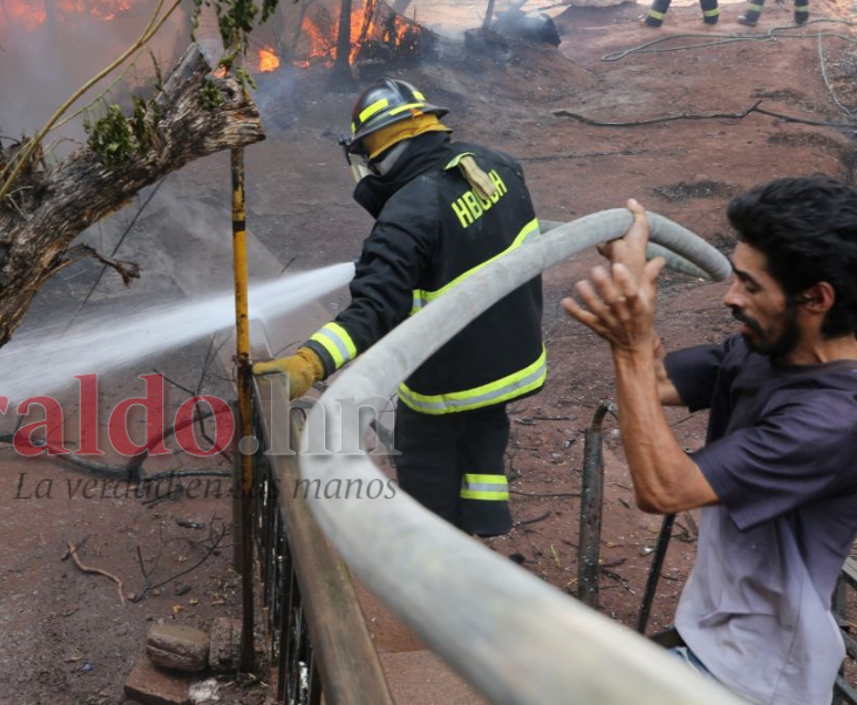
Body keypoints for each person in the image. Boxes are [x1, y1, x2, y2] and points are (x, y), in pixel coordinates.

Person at [563, 177, 857, 705]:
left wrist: (631, 348)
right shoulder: (766, 348)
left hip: (759, 673)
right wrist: (632, 286)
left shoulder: (835, 418)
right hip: (711, 628)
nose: (730, 295)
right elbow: (653, 384)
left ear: (816, 298)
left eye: (749, 284)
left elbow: (666, 490)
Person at [253, 78, 546, 537]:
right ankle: (484, 529)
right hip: (510, 361)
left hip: (447, 383)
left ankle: (437, 565)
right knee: (485, 442)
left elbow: (372, 311)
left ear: (377, 152)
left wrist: (307, 364)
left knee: (426, 487)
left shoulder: (407, 215)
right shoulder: (495, 166)